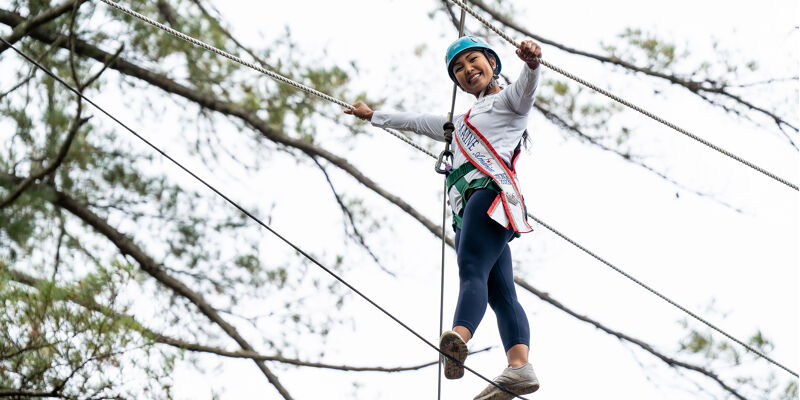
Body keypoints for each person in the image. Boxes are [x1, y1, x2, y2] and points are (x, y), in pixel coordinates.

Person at [345, 35, 542, 400]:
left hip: (487, 194)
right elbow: (418, 121)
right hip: (478, 207)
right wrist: (374, 116)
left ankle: (459, 337)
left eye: (472, 61)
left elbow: (528, 87)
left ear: (493, 64)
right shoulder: (461, 122)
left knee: (471, 269)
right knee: (501, 292)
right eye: (458, 68)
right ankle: (520, 367)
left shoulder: (509, 102)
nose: (467, 70)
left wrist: (532, 63)